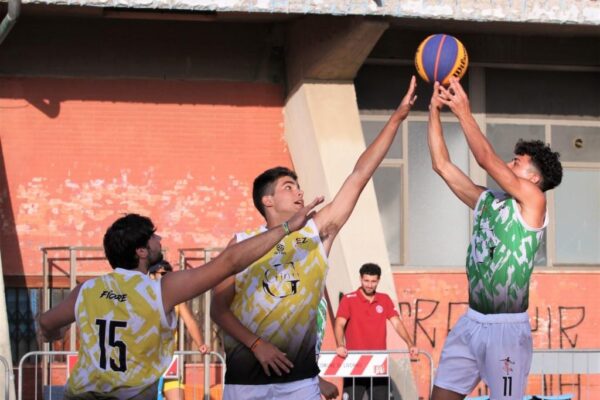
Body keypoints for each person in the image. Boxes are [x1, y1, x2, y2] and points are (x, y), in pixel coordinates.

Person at [210, 76, 417, 400]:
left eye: (298, 186)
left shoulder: (315, 232)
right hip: (246, 382)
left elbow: (359, 176)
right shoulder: (242, 243)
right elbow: (218, 309)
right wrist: (257, 344)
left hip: (299, 383)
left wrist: (396, 119)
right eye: (288, 187)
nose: (299, 192)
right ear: (267, 200)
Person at [37, 202, 322, 400]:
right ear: (141, 251)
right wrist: (286, 228)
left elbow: (46, 323)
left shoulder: (86, 290)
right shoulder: (160, 289)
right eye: (152, 237)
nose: (159, 238)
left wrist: (54, 333)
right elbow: (229, 263)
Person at [427, 78, 563, 400]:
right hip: (471, 322)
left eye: (517, 162)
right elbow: (441, 165)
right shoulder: (488, 200)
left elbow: (486, 159)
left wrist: (464, 112)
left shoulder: (534, 202)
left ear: (534, 178)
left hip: (506, 330)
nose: (509, 162)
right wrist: (433, 111)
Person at [334, 263, 418, 400]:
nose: (369, 285)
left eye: (373, 281)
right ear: (360, 279)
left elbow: (397, 323)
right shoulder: (348, 299)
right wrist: (340, 344)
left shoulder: (384, 299)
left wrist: (410, 344)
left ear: (378, 280)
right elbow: (339, 324)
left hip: (378, 363)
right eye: (366, 280)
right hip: (355, 362)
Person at [149, 260, 208, 400]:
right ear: (151, 275)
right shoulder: (144, 298)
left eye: (169, 275)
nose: (166, 278)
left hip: (169, 359)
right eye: (162, 274)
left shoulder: (175, 298)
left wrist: (201, 344)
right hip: (148, 360)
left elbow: (190, 322)